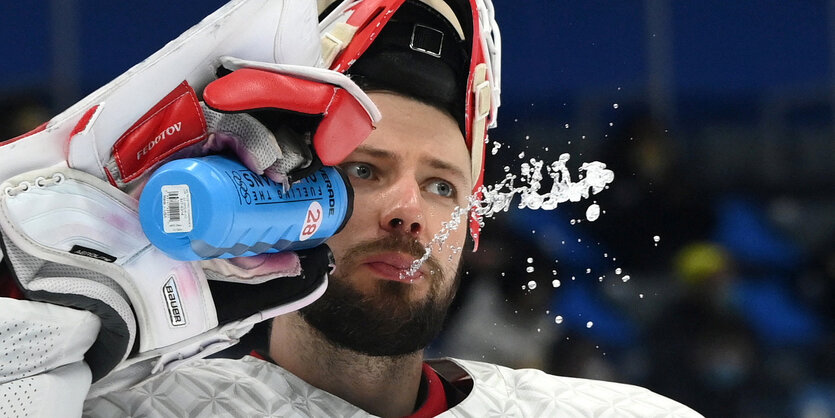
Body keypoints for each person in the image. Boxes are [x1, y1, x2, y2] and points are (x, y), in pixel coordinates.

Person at [1, 1, 702, 416]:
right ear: (280, 191)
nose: (408, 212)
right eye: (366, 170)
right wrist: (27, 315)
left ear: (469, 229)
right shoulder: (121, 404)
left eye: (441, 187)